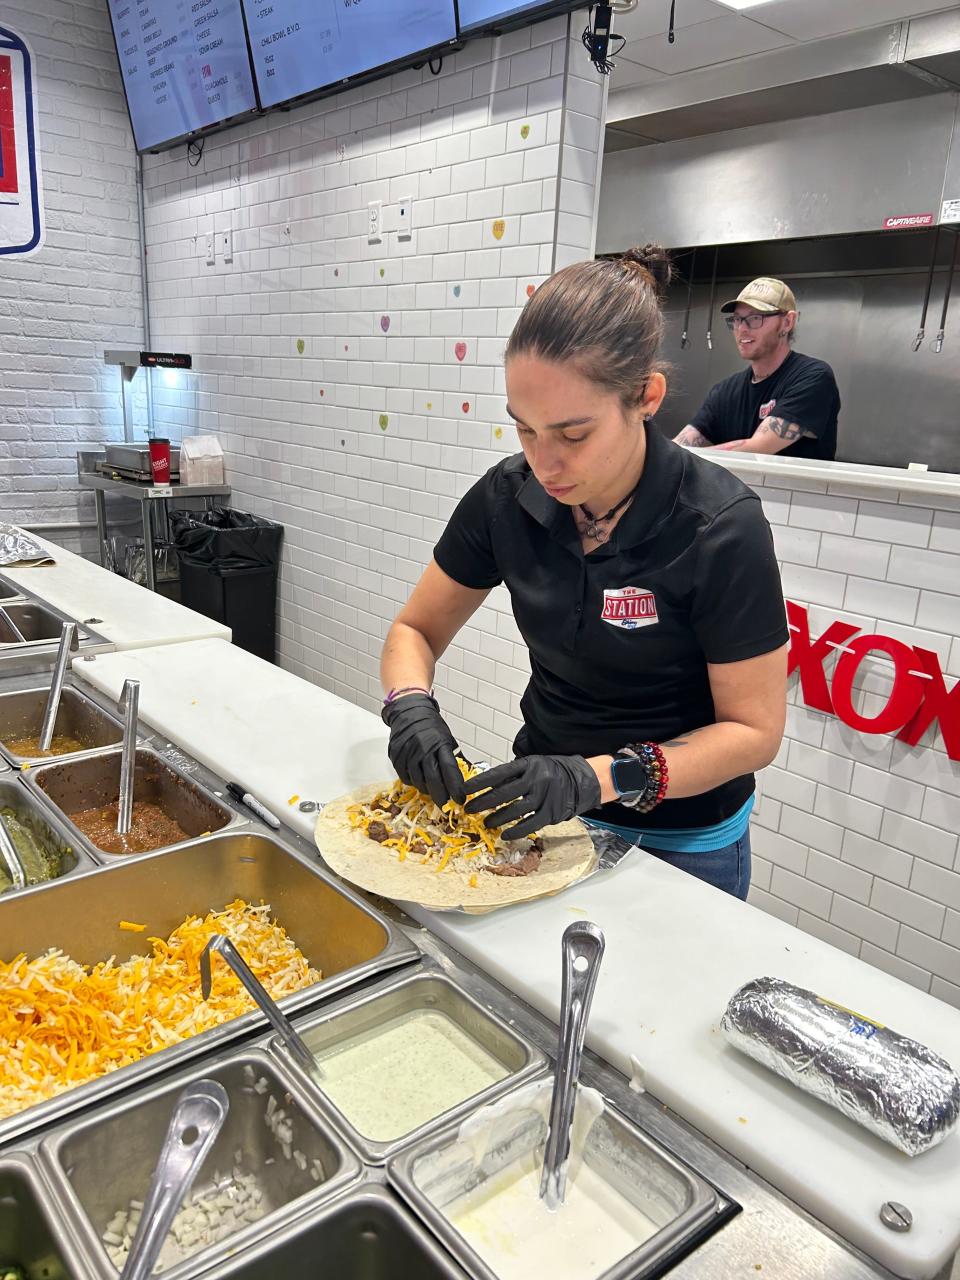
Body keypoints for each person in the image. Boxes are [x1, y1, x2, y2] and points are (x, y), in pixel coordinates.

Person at [379, 247, 789, 901]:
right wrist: (409, 708)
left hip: (682, 841)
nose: (545, 463)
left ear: (645, 398)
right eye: (525, 431)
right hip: (547, 817)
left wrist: (598, 778)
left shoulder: (720, 526)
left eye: (573, 434)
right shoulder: (505, 499)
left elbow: (754, 732)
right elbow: (415, 630)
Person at [673, 277, 840, 460]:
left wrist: (684, 459)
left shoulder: (813, 378)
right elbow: (683, 442)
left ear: (787, 322)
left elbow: (756, 449)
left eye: (755, 318)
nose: (742, 329)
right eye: (737, 319)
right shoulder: (725, 391)